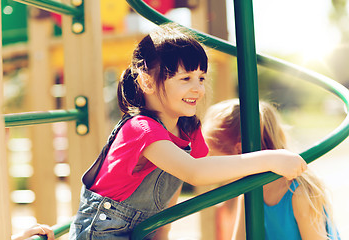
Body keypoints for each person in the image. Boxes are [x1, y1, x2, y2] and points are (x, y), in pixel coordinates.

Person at [68, 23, 307, 240]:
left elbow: (175, 183)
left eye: (201, 78)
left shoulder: (188, 130)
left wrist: (163, 232)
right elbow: (194, 172)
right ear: (147, 82)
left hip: (141, 231)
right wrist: (269, 160)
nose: (198, 89)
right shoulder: (140, 129)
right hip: (99, 233)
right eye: (186, 78)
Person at [202, 99, 340, 240]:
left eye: (213, 156)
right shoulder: (248, 193)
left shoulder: (299, 194)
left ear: (239, 150)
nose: (213, 166)